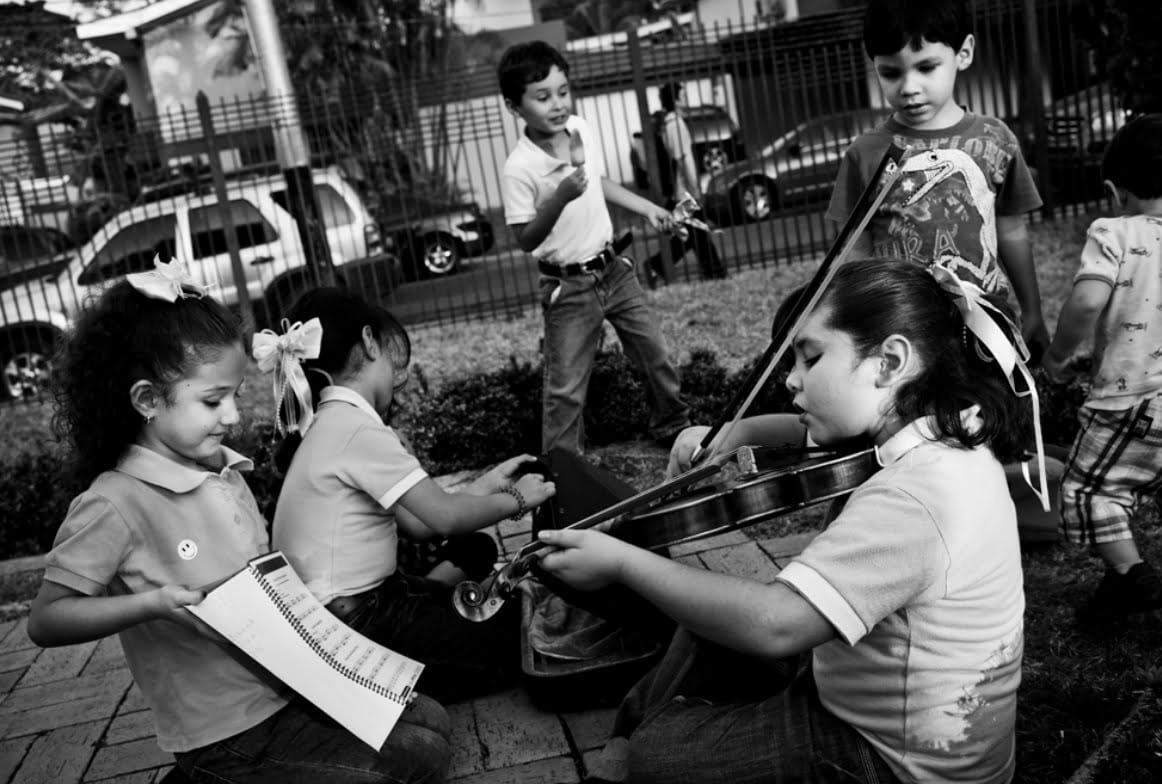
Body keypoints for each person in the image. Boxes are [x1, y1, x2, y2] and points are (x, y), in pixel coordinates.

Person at [538, 257, 1035, 783]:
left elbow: (775, 624)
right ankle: (630, 749)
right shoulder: (932, 431)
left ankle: (633, 750)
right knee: (704, 628)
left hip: (896, 763)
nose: (791, 380)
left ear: (889, 361)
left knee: (660, 754)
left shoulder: (919, 495)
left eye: (810, 357)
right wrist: (728, 436)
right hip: (879, 708)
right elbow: (797, 434)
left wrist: (621, 563)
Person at [27, 262, 451, 783]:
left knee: (430, 724)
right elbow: (46, 620)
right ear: (146, 400)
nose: (232, 416)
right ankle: (206, 776)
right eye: (212, 400)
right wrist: (151, 605)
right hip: (224, 731)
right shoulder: (113, 503)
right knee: (410, 765)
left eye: (234, 395)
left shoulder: (223, 470)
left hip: (287, 689)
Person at [268, 286, 556, 703]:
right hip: (358, 624)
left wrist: (493, 482)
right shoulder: (354, 428)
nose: (400, 377)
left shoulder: (333, 423)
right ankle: (383, 684)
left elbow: (418, 523)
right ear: (369, 341)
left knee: (494, 599)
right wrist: (519, 499)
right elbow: (444, 518)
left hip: (355, 609)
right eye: (394, 362)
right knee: (518, 640)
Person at [826, 0, 1050, 361]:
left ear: (964, 53)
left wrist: (1033, 310)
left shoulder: (997, 139)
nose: (909, 87)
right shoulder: (865, 154)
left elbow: (1011, 232)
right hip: (903, 330)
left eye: (926, 67)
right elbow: (854, 250)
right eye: (891, 73)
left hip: (986, 322)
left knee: (988, 413)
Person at [498, 40, 692, 453]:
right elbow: (525, 238)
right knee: (566, 387)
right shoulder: (519, 168)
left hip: (614, 270)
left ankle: (674, 427)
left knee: (653, 353)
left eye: (563, 91)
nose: (557, 104)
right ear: (515, 107)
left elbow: (598, 182)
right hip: (567, 287)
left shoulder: (580, 128)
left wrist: (649, 208)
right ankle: (564, 470)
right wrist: (560, 197)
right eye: (543, 97)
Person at [1041, 114, 1162, 622]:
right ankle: (1116, 587)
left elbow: (1088, 302)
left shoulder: (1115, 231)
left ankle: (1134, 577)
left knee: (1092, 489)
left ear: (1116, 190)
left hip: (1128, 397)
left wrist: (1058, 355)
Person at [641, 81, 728, 286]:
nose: (686, 98)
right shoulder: (676, 125)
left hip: (680, 191)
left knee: (693, 236)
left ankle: (711, 272)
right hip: (684, 192)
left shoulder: (668, 124)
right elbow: (683, 160)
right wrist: (695, 189)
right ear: (676, 98)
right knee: (695, 235)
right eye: (683, 94)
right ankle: (713, 273)